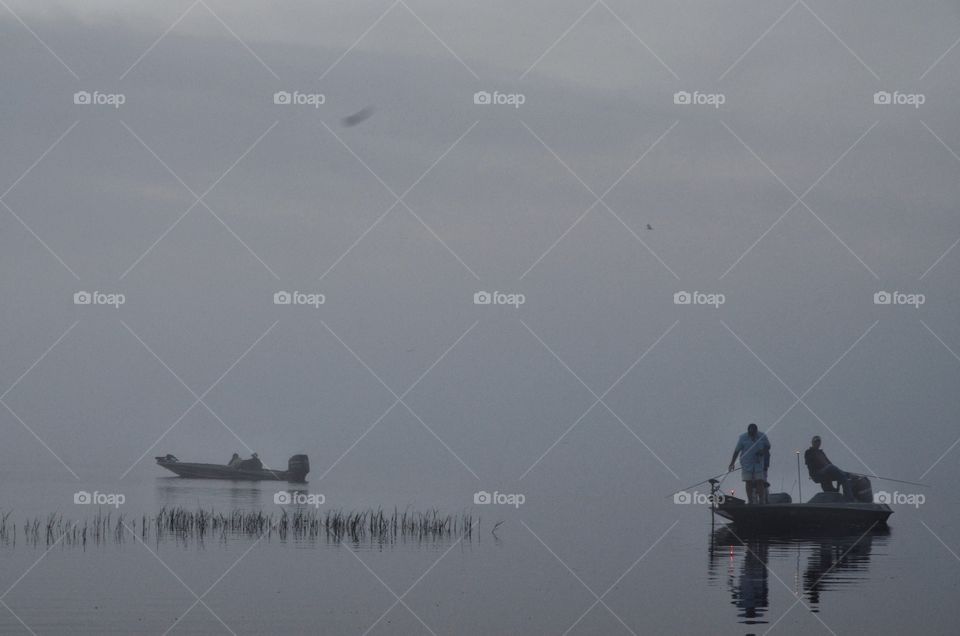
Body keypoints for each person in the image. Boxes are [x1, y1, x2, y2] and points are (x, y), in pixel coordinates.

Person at [729, 423, 771, 504]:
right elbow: (736, 451)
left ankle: (761, 500)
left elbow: (768, 446)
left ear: (756, 431)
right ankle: (750, 500)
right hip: (746, 463)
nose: (752, 435)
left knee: (760, 481)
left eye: (754, 433)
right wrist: (732, 463)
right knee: (748, 481)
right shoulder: (742, 438)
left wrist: (762, 451)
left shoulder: (762, 436)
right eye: (750, 433)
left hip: (758, 462)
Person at [804, 436, 852, 500]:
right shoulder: (809, 452)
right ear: (812, 443)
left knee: (844, 474)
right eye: (816, 441)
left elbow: (829, 463)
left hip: (826, 472)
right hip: (817, 473)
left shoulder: (821, 453)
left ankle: (846, 495)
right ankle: (848, 498)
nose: (818, 443)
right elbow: (811, 463)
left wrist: (842, 472)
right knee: (831, 468)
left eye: (819, 441)